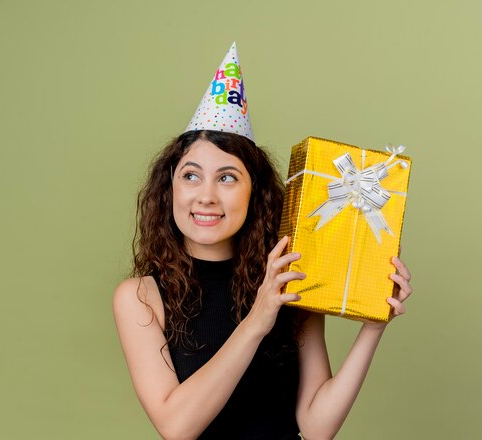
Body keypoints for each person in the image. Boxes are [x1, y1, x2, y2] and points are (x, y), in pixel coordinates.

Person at [113, 44, 412, 440]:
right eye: (190, 175)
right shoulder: (140, 296)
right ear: (169, 190)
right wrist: (258, 319)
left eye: (227, 177)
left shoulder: (287, 277)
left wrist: (374, 325)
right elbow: (177, 426)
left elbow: (317, 426)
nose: (205, 196)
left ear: (255, 194)